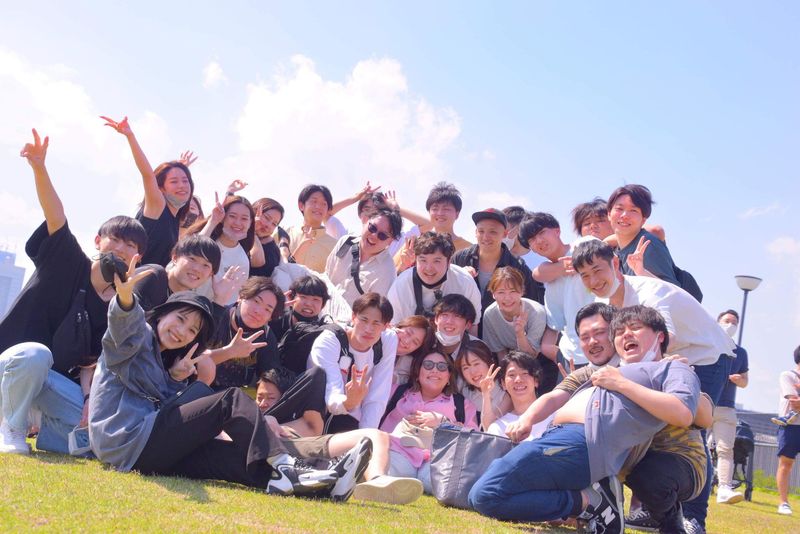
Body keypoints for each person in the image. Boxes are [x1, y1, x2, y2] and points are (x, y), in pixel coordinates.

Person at [88, 264, 352, 498]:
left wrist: (175, 379)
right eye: (180, 319)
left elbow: (162, 406)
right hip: (127, 441)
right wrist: (125, 299)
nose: (182, 331)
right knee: (230, 399)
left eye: (192, 330)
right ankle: (286, 465)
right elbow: (125, 325)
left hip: (145, 453)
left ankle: (322, 482)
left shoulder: (166, 360)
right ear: (161, 315)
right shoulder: (136, 339)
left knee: (225, 458)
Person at [469, 306, 703, 533]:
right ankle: (593, 502)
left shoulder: (671, 368)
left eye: (635, 328)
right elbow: (553, 397)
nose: (626, 335)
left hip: (584, 442)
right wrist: (527, 419)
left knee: (485, 495)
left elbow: (683, 412)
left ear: (660, 336)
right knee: (483, 493)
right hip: (554, 437)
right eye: (619, 332)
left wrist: (621, 383)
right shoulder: (599, 371)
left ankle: (590, 503)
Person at [571, 239, 736, 533]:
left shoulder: (647, 293)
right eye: (585, 275)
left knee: (694, 427)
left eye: (598, 270)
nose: (593, 281)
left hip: (705, 356)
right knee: (651, 426)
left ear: (615, 264)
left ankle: (694, 518)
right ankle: (653, 504)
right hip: (666, 359)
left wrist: (632, 377)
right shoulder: (612, 303)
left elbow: (665, 337)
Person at [0, 129, 147, 455]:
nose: (121, 249)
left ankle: (46, 434)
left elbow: (91, 364)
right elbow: (55, 214)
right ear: (98, 241)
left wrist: (89, 401)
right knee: (36, 355)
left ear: (138, 256)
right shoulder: (66, 258)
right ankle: (12, 427)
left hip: (48, 385)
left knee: (93, 428)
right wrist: (39, 167)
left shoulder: (119, 307)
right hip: (12, 365)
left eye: (131, 245)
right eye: (115, 239)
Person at [255, 370, 425, 505]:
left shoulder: (303, 423)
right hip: (272, 454)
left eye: (271, 398)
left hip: (304, 446)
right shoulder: (251, 420)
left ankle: (377, 481)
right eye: (259, 398)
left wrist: (273, 419)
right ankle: (340, 476)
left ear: (288, 399)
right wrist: (265, 419)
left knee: (377, 435)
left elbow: (316, 375)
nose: (263, 403)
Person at [102, 115, 194, 267]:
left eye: (185, 181)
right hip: (129, 277)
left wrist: (180, 168)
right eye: (174, 181)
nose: (182, 185)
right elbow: (147, 175)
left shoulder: (175, 218)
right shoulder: (157, 206)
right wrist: (130, 136)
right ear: (160, 188)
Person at [380, 351, 478, 493]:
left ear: (449, 377)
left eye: (442, 367)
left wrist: (443, 421)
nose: (434, 370)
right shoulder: (397, 393)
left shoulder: (462, 405)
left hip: (436, 459)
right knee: (393, 474)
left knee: (433, 483)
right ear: (417, 373)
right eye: (428, 365)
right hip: (397, 452)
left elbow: (473, 439)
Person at [309, 293, 398, 432]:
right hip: (317, 411)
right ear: (353, 317)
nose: (368, 329)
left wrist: (366, 434)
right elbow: (332, 393)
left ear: (386, 326)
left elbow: (378, 394)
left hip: (351, 416)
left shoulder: (387, 340)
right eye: (364, 320)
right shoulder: (330, 340)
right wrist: (349, 402)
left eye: (376, 323)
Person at [519, 213, 596, 367]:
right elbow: (555, 323)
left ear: (557, 230)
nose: (539, 241)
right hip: (574, 357)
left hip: (606, 347)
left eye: (542, 232)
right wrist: (551, 351)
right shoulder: (549, 281)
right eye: (532, 239)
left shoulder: (584, 245)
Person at [452, 209, 542, 335]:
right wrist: (461, 276)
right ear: (475, 232)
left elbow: (532, 305)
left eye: (493, 232)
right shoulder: (460, 259)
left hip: (501, 337)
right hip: (462, 333)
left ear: (505, 234)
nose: (486, 237)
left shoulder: (518, 266)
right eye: (481, 231)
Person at [481, 267, 556, 392]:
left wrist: (520, 333)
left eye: (513, 291)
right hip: (511, 361)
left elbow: (531, 355)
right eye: (501, 292)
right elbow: (500, 353)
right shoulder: (490, 314)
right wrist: (507, 380)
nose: (507, 298)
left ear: (522, 291)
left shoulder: (536, 312)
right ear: (493, 294)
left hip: (542, 360)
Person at [386, 232, 481, 329]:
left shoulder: (465, 281)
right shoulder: (400, 286)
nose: (429, 268)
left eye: (437, 261)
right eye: (423, 260)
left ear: (448, 262)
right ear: (416, 261)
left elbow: (473, 325)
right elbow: (393, 329)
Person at [206, 276, 284, 389]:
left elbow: (270, 377)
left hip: (235, 395)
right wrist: (229, 351)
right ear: (241, 297)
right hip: (197, 389)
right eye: (256, 301)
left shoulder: (266, 336)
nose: (258, 311)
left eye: (267, 309)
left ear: (271, 318)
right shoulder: (215, 316)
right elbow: (192, 360)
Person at [325, 206, 403, 306]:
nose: (374, 235)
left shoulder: (387, 271)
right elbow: (327, 276)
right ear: (366, 222)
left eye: (382, 235)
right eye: (372, 228)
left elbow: (375, 309)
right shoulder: (345, 242)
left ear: (390, 241)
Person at [606, 184, 680, 285]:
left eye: (633, 210)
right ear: (609, 214)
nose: (624, 215)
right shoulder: (615, 252)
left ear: (643, 220)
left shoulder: (647, 245)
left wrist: (642, 272)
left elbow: (672, 290)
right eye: (619, 209)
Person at [712, 309, 750, 505]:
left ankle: (724, 488)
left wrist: (738, 380)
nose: (731, 325)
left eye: (734, 322)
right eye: (727, 320)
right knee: (695, 446)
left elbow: (745, 381)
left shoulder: (740, 352)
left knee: (725, 449)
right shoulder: (707, 342)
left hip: (726, 407)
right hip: (703, 402)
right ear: (717, 321)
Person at [190, 194, 255, 306]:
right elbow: (190, 251)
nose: (237, 223)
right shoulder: (206, 238)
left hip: (207, 310)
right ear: (223, 217)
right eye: (232, 216)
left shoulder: (242, 260)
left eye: (244, 219)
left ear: (250, 223)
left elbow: (229, 301)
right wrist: (213, 220)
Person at [392, 182, 472, 272]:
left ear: (457, 214)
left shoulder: (468, 249)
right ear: (429, 212)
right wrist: (403, 266)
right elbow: (392, 274)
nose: (440, 213)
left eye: (446, 209)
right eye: (435, 209)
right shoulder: (413, 244)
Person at [133, 235, 221, 312]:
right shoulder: (152, 275)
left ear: (210, 274)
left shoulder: (189, 304)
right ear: (175, 257)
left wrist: (220, 300)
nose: (197, 269)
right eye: (192, 259)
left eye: (206, 265)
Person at [485, 351, 549, 441]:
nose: (518, 380)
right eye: (512, 375)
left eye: (525, 373)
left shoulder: (555, 414)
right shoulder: (498, 428)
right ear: (503, 384)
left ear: (536, 381)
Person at [455, 340, 511, 430]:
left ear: (489, 362)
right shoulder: (464, 392)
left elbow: (490, 427)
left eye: (476, 364)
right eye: (466, 367)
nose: (473, 372)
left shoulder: (505, 391)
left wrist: (486, 394)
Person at [286, 185, 338, 273]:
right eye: (314, 201)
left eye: (324, 204)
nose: (318, 207)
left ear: (328, 210)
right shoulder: (286, 233)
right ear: (301, 205)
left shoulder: (335, 246)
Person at [774, 345, 800, 516]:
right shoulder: (788, 375)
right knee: (786, 463)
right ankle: (783, 502)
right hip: (790, 426)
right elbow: (795, 402)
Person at [392, 315, 436, 386]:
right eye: (408, 333)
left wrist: (393, 378)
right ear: (400, 327)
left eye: (415, 342)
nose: (406, 341)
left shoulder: (407, 367)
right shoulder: (377, 337)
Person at [250, 197, 285, 278]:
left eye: (274, 224)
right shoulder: (237, 238)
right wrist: (252, 230)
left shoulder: (273, 248)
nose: (268, 225)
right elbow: (257, 261)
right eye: (266, 217)